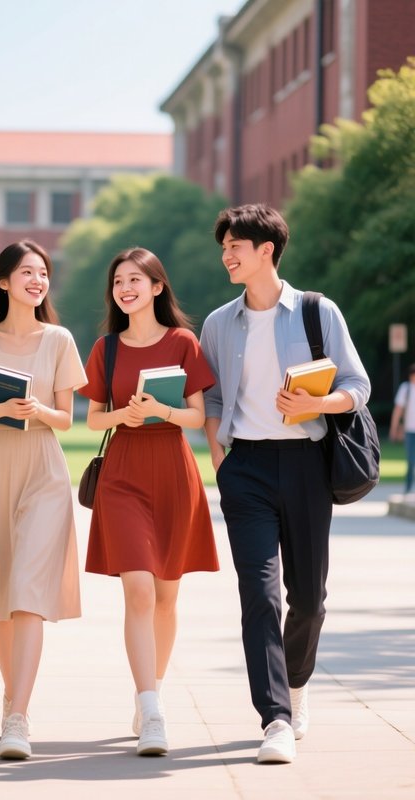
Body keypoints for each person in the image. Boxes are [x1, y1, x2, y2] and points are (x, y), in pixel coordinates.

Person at [200, 204, 371, 764]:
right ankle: (274, 717)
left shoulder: (318, 312)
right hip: (245, 469)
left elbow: (358, 386)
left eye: (235, 247)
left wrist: (317, 404)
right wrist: (219, 456)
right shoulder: (218, 323)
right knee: (259, 594)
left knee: (309, 600)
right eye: (224, 248)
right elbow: (213, 397)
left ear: (266, 250)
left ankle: (296, 684)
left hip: (306, 466)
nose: (227, 256)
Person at [79, 247, 218, 757]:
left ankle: (149, 693)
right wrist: (126, 416)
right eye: (118, 281)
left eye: (135, 279)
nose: (125, 288)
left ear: (157, 287)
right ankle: (152, 707)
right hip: (123, 474)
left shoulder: (183, 342)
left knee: (166, 596)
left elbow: (198, 416)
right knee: (137, 589)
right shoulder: (107, 349)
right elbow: (94, 419)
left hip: (174, 473)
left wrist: (162, 409)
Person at [0, 240, 86, 760]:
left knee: (29, 590)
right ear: (4, 281)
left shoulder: (59, 340)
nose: (37, 280)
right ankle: (13, 695)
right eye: (27, 272)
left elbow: (66, 418)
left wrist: (35, 409)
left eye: (43, 273)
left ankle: (18, 716)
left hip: (43, 469)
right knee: (0, 596)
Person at [390, 363, 415, 496]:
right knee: (411, 460)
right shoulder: (406, 389)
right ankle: (408, 488)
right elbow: (398, 410)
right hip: (410, 430)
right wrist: (394, 429)